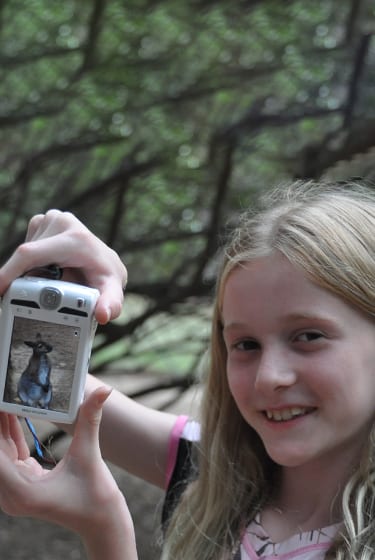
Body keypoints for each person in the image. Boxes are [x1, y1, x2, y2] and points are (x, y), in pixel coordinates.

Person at [0, 180, 374, 559]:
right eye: (245, 345)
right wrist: (44, 297)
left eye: (308, 336)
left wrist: (104, 529)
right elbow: (41, 384)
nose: (269, 377)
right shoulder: (207, 470)